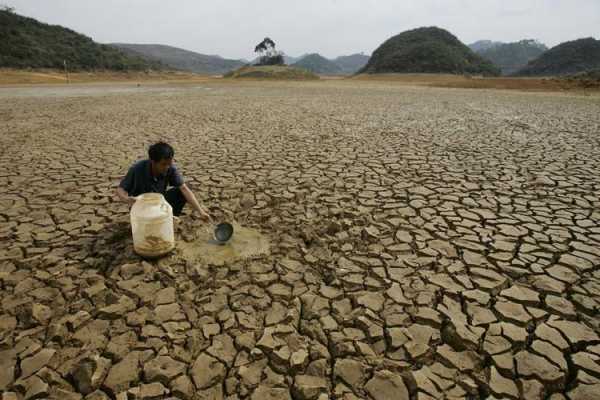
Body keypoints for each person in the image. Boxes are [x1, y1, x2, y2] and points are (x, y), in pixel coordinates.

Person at [116, 141, 211, 220]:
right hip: (141, 207)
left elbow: (184, 189)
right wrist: (127, 199)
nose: (167, 167)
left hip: (159, 203)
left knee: (180, 192)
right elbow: (121, 189)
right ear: (153, 162)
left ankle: (170, 218)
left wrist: (200, 212)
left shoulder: (170, 168)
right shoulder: (137, 169)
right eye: (164, 164)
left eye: (169, 163)